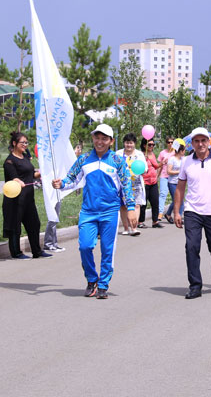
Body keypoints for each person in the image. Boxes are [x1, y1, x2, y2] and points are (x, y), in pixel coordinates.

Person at [53, 124, 137, 299]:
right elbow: (72, 179)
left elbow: (126, 186)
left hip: (110, 212)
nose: (100, 141)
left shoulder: (116, 161)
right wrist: (61, 184)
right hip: (88, 211)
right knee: (85, 246)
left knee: (107, 249)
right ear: (93, 139)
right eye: (97, 137)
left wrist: (130, 208)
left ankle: (103, 285)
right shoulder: (84, 159)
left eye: (104, 138)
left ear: (111, 141)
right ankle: (92, 279)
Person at [173, 127, 211, 299]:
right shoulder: (186, 161)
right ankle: (195, 285)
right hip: (192, 211)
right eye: (197, 141)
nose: (200, 144)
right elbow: (180, 188)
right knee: (191, 247)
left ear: (209, 142)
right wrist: (177, 212)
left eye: (203, 140)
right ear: (192, 143)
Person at [2, 132, 50, 260]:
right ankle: (16, 253)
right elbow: (14, 178)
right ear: (14, 143)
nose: (25, 145)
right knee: (15, 227)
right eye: (22, 142)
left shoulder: (24, 158)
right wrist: (19, 181)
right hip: (15, 200)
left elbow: (30, 175)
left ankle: (37, 251)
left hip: (28, 199)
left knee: (34, 224)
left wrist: (40, 173)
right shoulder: (9, 161)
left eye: (26, 142)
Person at [115, 133, 145, 236]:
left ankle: (134, 228)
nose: (129, 145)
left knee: (136, 205)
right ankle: (126, 227)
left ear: (134, 144)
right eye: (127, 143)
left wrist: (139, 170)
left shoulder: (139, 154)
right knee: (123, 206)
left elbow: (144, 168)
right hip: (122, 184)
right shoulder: (118, 154)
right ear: (124, 143)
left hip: (136, 183)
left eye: (131, 143)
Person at [139, 138, 164, 229]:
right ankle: (140, 221)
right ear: (144, 145)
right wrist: (143, 160)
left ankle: (155, 221)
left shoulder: (152, 154)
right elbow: (139, 167)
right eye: (149, 144)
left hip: (153, 181)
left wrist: (162, 163)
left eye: (153, 145)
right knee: (143, 203)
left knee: (155, 202)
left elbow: (156, 166)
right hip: (144, 182)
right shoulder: (140, 155)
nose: (151, 146)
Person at [163, 142, 186, 223]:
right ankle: (178, 217)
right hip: (172, 182)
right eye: (184, 150)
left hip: (180, 182)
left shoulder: (183, 159)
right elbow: (168, 171)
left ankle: (169, 214)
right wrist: (179, 172)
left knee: (180, 200)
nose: (184, 152)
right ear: (180, 151)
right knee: (176, 200)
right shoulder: (172, 159)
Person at [157, 136, 175, 222]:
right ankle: (160, 213)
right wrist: (157, 175)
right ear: (166, 143)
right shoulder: (162, 153)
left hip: (174, 177)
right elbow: (159, 165)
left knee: (175, 197)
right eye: (168, 142)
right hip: (164, 176)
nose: (170, 144)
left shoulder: (176, 153)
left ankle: (170, 212)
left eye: (172, 142)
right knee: (163, 194)